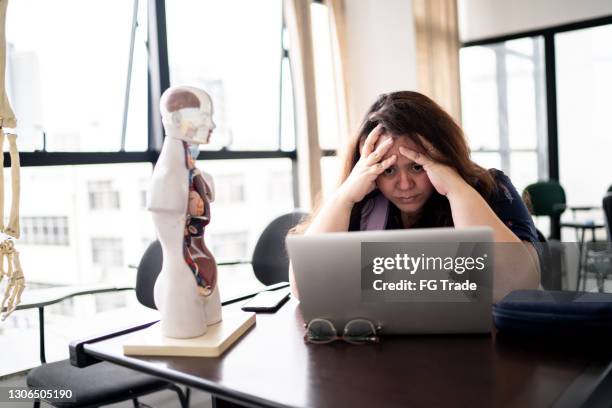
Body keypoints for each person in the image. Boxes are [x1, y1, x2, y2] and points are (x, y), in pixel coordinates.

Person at [291, 91, 540, 301]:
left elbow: (520, 283)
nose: (404, 184)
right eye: (387, 170)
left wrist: (456, 188)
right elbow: (304, 288)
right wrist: (343, 197)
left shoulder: (491, 188)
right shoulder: (362, 200)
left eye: (417, 166)